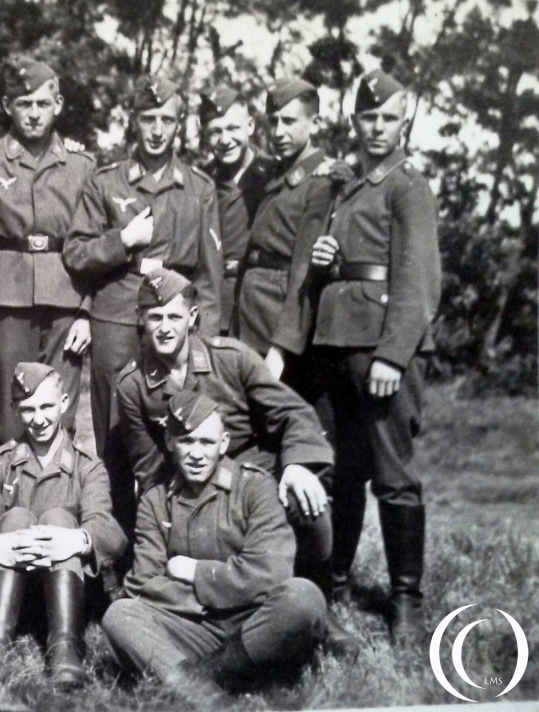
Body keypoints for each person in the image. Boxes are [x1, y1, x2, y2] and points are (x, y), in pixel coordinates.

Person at [272, 69, 441, 646]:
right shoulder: (346, 188)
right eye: (367, 118)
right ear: (354, 121)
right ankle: (335, 583)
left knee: (393, 476)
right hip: (336, 344)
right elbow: (340, 265)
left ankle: (405, 600)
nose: (376, 128)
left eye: (388, 118)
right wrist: (324, 258)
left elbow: (417, 279)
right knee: (343, 475)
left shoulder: (407, 186)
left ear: (404, 123)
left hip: (381, 350)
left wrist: (394, 355)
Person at [114, 268, 354, 657]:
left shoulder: (232, 358)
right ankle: (225, 612)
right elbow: (147, 464)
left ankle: (321, 612)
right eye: (154, 317)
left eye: (174, 316)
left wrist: (295, 466)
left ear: (192, 317)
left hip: (258, 474)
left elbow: (293, 413)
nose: (164, 327)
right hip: (193, 477)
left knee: (309, 505)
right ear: (140, 319)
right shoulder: (133, 385)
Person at [101, 390, 326, 698]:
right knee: (119, 614)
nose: (196, 453)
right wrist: (212, 600)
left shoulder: (255, 487)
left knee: (303, 597)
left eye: (206, 442)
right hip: (195, 626)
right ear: (169, 442)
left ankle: (201, 677)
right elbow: (143, 584)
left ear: (223, 444)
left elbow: (270, 574)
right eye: (186, 441)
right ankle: (208, 698)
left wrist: (194, 572)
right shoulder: (155, 500)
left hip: (256, 623)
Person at [64, 73, 221, 471]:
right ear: (134, 119)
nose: (157, 129)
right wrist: (123, 241)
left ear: (179, 122)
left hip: (176, 323)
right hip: (118, 317)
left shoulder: (199, 188)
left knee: (178, 433)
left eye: (167, 120)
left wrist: (205, 345)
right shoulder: (106, 181)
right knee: (114, 438)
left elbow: (209, 279)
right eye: (148, 118)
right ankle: (116, 528)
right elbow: (77, 252)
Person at [0, 363, 126, 687]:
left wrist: (79, 541)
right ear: (16, 410)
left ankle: (65, 646)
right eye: (28, 409)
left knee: (60, 520)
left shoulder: (87, 467)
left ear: (64, 402)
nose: (39, 419)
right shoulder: (0, 463)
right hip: (7, 586)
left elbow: (108, 530)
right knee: (16, 517)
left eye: (47, 406)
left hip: (66, 592)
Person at [0, 57, 94, 445]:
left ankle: (58, 506)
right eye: (23, 103)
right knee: (10, 415)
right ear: (6, 106)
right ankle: (10, 503)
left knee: (60, 416)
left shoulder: (82, 164)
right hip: (6, 301)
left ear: (59, 105)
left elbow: (91, 244)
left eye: (41, 103)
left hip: (65, 301)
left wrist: (85, 311)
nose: (34, 114)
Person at [237, 79, 333, 372]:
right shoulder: (274, 174)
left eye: (289, 122)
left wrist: (282, 347)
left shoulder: (321, 182)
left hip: (276, 323)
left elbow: (304, 271)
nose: (278, 132)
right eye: (273, 121)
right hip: (249, 312)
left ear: (314, 123)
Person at [198, 86, 277, 335]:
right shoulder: (201, 181)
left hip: (262, 302)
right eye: (215, 131)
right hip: (216, 302)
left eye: (233, 128)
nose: (224, 140)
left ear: (250, 126)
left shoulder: (275, 173)